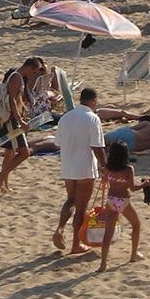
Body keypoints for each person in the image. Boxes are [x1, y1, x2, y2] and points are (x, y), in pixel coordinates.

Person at [52, 87, 105, 254]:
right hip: (85, 167)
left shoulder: (66, 117)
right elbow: (97, 146)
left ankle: (60, 228)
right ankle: (76, 244)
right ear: (93, 101)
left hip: (68, 165)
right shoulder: (92, 118)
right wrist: (104, 166)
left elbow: (57, 143)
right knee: (81, 208)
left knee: (71, 200)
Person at [97, 140, 150, 272]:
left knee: (107, 234)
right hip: (123, 200)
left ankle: (103, 264)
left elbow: (105, 177)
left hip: (111, 200)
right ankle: (133, 255)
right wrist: (145, 184)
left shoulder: (108, 168)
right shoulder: (128, 169)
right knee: (136, 225)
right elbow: (133, 188)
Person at [0, 57, 43, 194]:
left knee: (10, 152)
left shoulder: (19, 77)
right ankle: (0, 177)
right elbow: (11, 100)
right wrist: (19, 120)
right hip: (10, 120)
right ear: (29, 68)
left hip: (11, 118)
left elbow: (16, 98)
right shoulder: (16, 77)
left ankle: (4, 184)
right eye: (35, 72)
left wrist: (24, 110)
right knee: (24, 153)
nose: (34, 75)